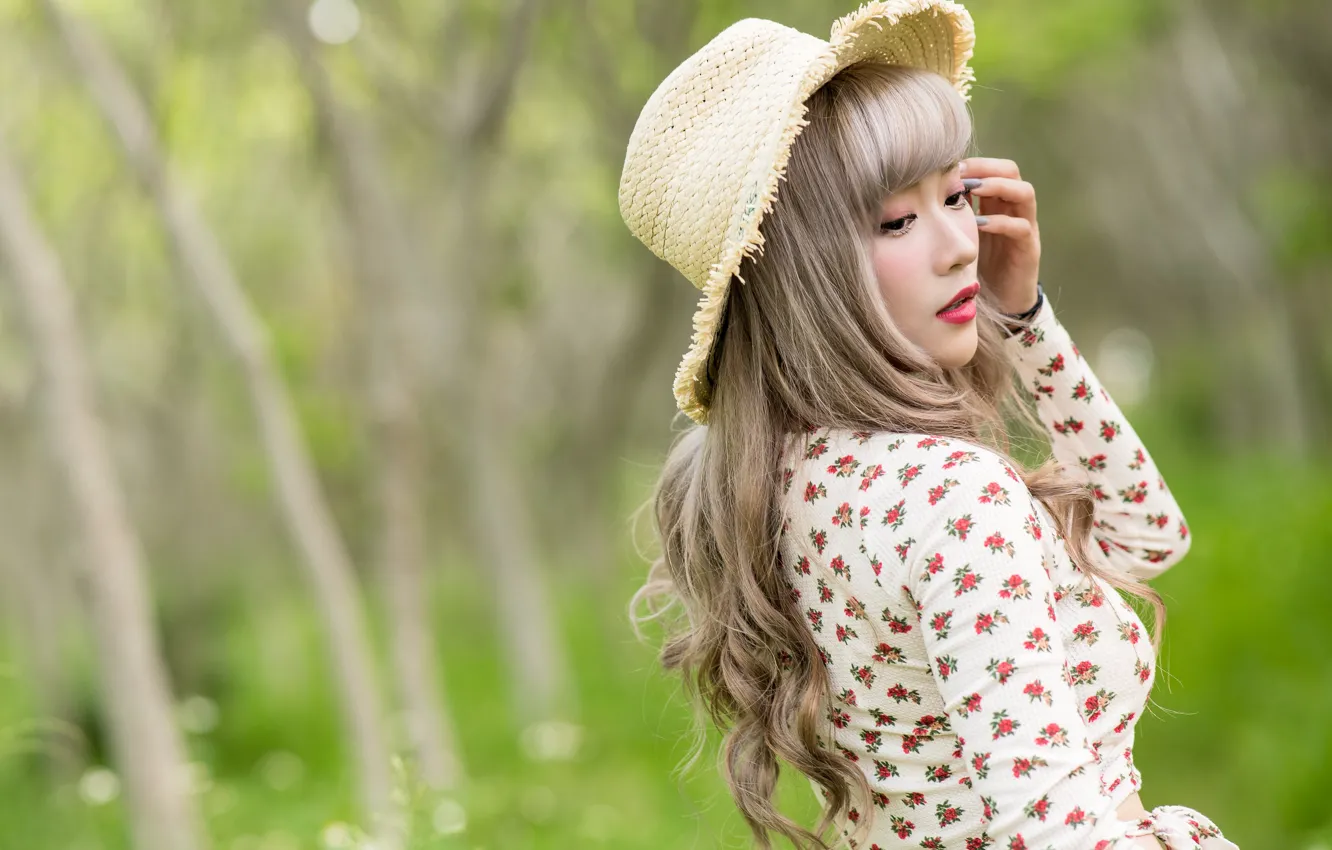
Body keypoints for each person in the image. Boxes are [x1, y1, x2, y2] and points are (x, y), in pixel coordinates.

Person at [618, 2, 1239, 849]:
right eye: (897, 221)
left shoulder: (776, 483)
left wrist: (1023, 316)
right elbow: (1052, 835)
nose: (959, 245)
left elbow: (1142, 533)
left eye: (955, 195)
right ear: (806, 278)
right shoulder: (953, 495)